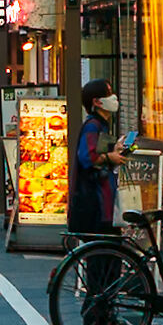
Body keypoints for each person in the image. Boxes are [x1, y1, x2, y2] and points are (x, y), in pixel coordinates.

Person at [68, 78, 126, 237]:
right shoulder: (93, 126)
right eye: (108, 94)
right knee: (103, 250)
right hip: (95, 202)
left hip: (102, 201)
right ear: (97, 102)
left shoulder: (100, 125)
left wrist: (113, 149)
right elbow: (88, 158)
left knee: (108, 249)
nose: (114, 97)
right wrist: (111, 156)